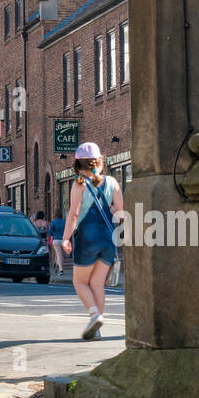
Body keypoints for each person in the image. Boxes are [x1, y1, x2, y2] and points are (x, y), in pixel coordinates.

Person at [61, 141, 124, 340]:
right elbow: (120, 213)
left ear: (79, 163)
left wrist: (65, 239)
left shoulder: (79, 183)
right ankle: (96, 328)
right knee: (97, 284)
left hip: (87, 237)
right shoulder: (112, 182)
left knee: (79, 282)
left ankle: (94, 314)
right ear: (99, 162)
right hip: (108, 237)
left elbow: (73, 214)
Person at [48, 213, 66, 277]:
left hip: (56, 239)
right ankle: (57, 266)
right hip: (63, 239)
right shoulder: (64, 222)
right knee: (60, 254)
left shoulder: (53, 222)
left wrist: (54, 234)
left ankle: (60, 269)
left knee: (58, 254)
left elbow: (50, 232)